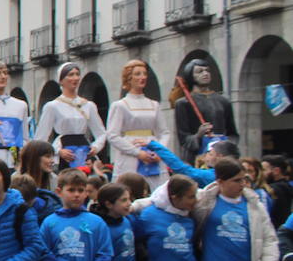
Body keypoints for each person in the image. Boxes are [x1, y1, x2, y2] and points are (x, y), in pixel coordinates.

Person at [105, 60, 170, 190]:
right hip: (131, 155)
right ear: (129, 78)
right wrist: (137, 152)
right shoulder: (120, 105)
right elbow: (112, 135)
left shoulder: (154, 105)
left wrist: (159, 150)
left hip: (152, 151)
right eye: (138, 74)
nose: (142, 77)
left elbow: (164, 132)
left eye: (144, 74)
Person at [35, 63, 107, 169]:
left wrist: (95, 148)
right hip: (64, 148)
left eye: (77, 74)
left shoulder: (88, 105)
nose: (75, 78)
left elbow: (101, 133)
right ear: (61, 80)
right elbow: (40, 138)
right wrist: (58, 151)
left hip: (83, 148)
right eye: (70, 75)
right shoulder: (52, 106)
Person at [171, 57, 237, 164]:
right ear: (191, 75)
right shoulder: (183, 103)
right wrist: (199, 134)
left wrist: (226, 144)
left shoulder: (223, 101)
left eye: (207, 70)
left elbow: (233, 133)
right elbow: (183, 139)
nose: (205, 74)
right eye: (199, 71)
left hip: (221, 156)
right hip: (197, 158)